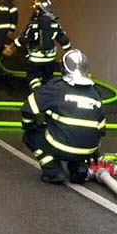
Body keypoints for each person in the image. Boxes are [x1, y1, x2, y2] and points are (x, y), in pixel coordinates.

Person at [20, 49, 106, 184]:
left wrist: (30, 126)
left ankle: (53, 171)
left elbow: (28, 109)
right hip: (89, 149)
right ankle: (79, 167)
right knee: (77, 135)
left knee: (31, 136)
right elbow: (101, 130)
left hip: (62, 147)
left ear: (63, 68)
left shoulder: (56, 87)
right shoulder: (95, 92)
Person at [5, 0, 71, 91]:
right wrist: (68, 53)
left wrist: (11, 49)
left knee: (32, 76)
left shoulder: (33, 25)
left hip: (35, 58)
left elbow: (23, 39)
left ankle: (37, 91)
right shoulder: (55, 25)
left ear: (38, 11)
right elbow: (63, 40)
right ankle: (49, 92)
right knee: (48, 77)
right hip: (50, 58)